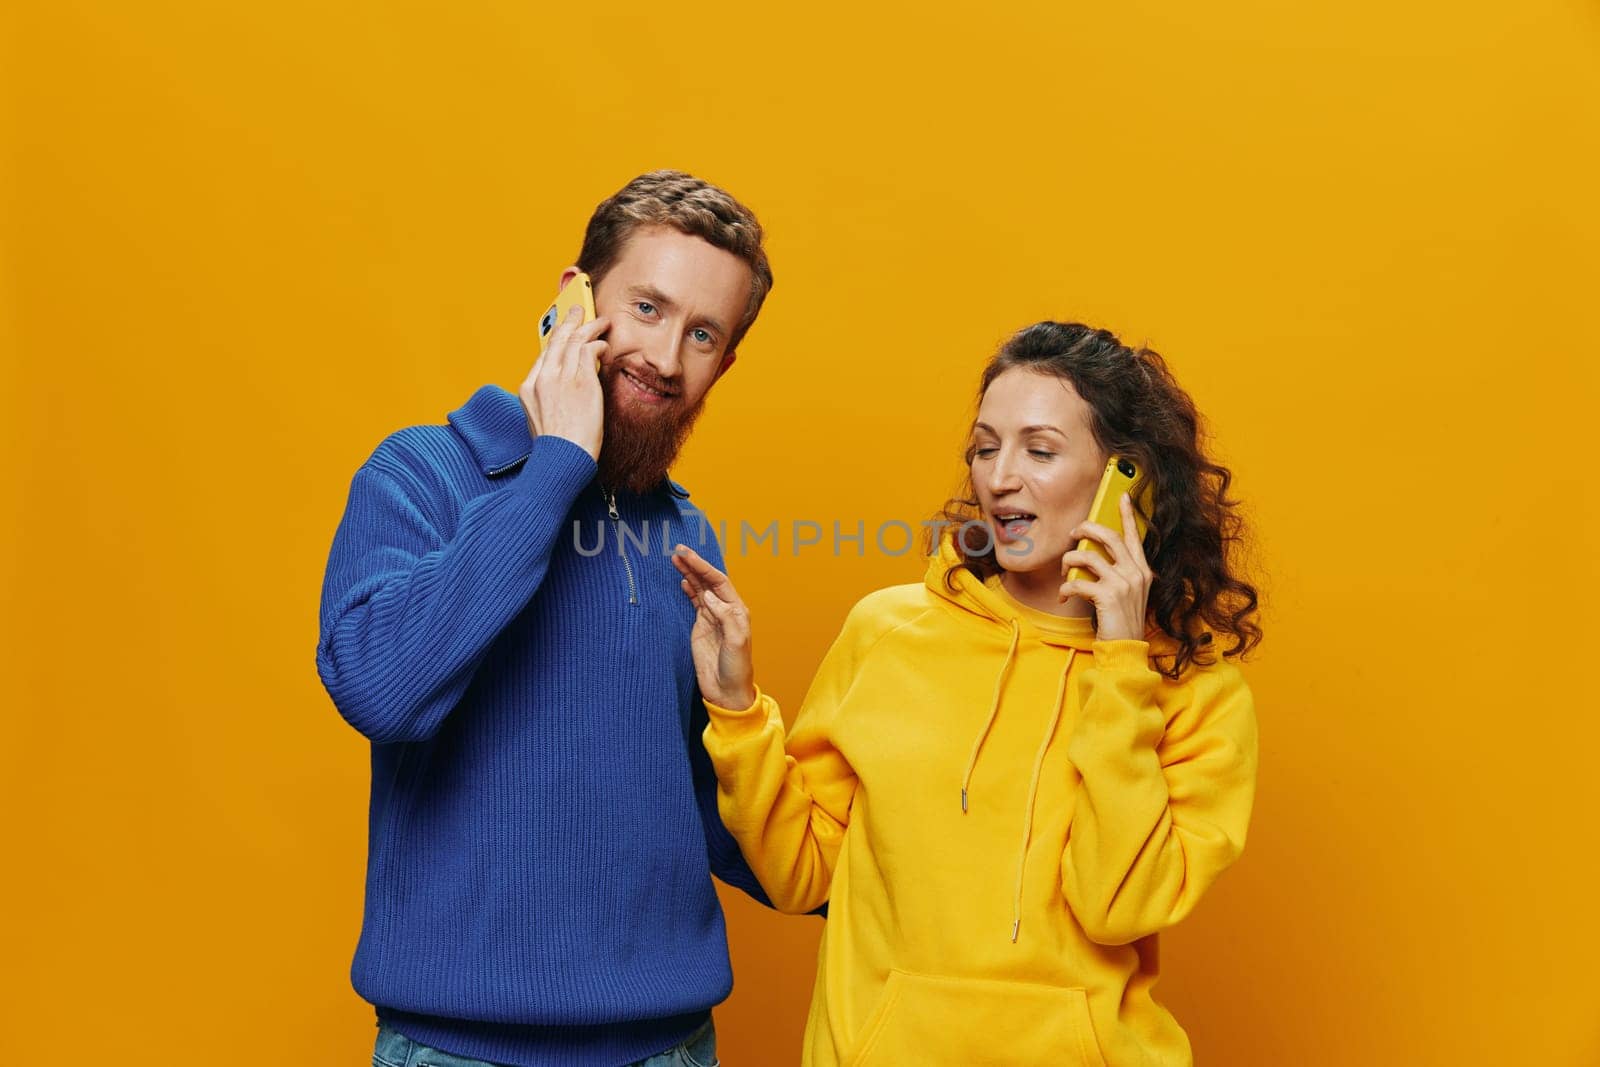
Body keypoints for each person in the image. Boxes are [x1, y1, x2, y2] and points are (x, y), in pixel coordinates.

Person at [673, 321, 1262, 1066]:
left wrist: (1119, 661)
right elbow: (799, 873)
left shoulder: (1194, 693)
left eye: (1039, 450)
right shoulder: (889, 632)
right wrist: (737, 709)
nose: (998, 478)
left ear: (1128, 479)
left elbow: (1118, 906)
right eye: (985, 448)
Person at [316, 169, 773, 1067]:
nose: (668, 358)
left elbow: (701, 817)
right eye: (647, 307)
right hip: (459, 1050)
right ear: (574, 298)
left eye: (704, 334)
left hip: (667, 1048)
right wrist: (556, 463)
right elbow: (378, 688)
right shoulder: (421, 475)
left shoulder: (685, 532)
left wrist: (918, 856)